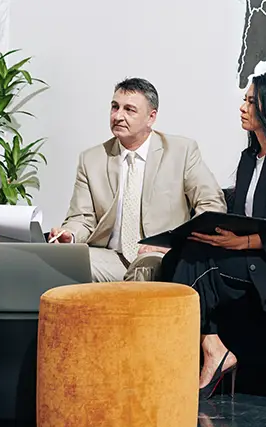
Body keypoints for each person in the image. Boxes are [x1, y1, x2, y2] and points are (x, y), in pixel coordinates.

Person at [162, 73, 266, 399]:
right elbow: (242, 217)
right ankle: (212, 347)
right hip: (242, 256)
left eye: (251, 101)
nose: (243, 108)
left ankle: (198, 356)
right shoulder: (249, 159)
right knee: (176, 257)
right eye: (245, 100)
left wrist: (243, 242)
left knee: (198, 265)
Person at [49, 78, 227, 282]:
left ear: (151, 117)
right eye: (115, 107)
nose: (118, 116)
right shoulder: (91, 159)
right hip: (111, 256)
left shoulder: (181, 151)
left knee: (145, 267)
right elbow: (82, 217)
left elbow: (212, 204)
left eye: (129, 110)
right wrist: (69, 235)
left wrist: (176, 243)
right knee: (59, 263)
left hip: (160, 254)